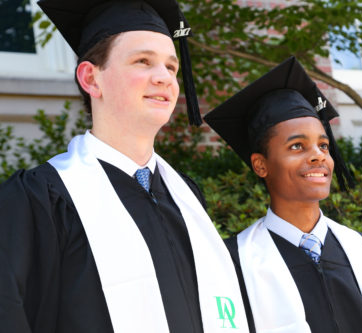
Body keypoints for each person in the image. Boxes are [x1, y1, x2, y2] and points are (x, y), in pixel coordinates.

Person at [0, 1, 249, 332]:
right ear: (91, 78)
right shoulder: (39, 199)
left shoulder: (186, 196)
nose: (164, 78)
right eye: (143, 61)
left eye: (171, 67)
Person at [204, 56, 362, 333]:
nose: (318, 156)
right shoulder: (232, 262)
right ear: (261, 165)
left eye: (323, 145)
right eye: (297, 146)